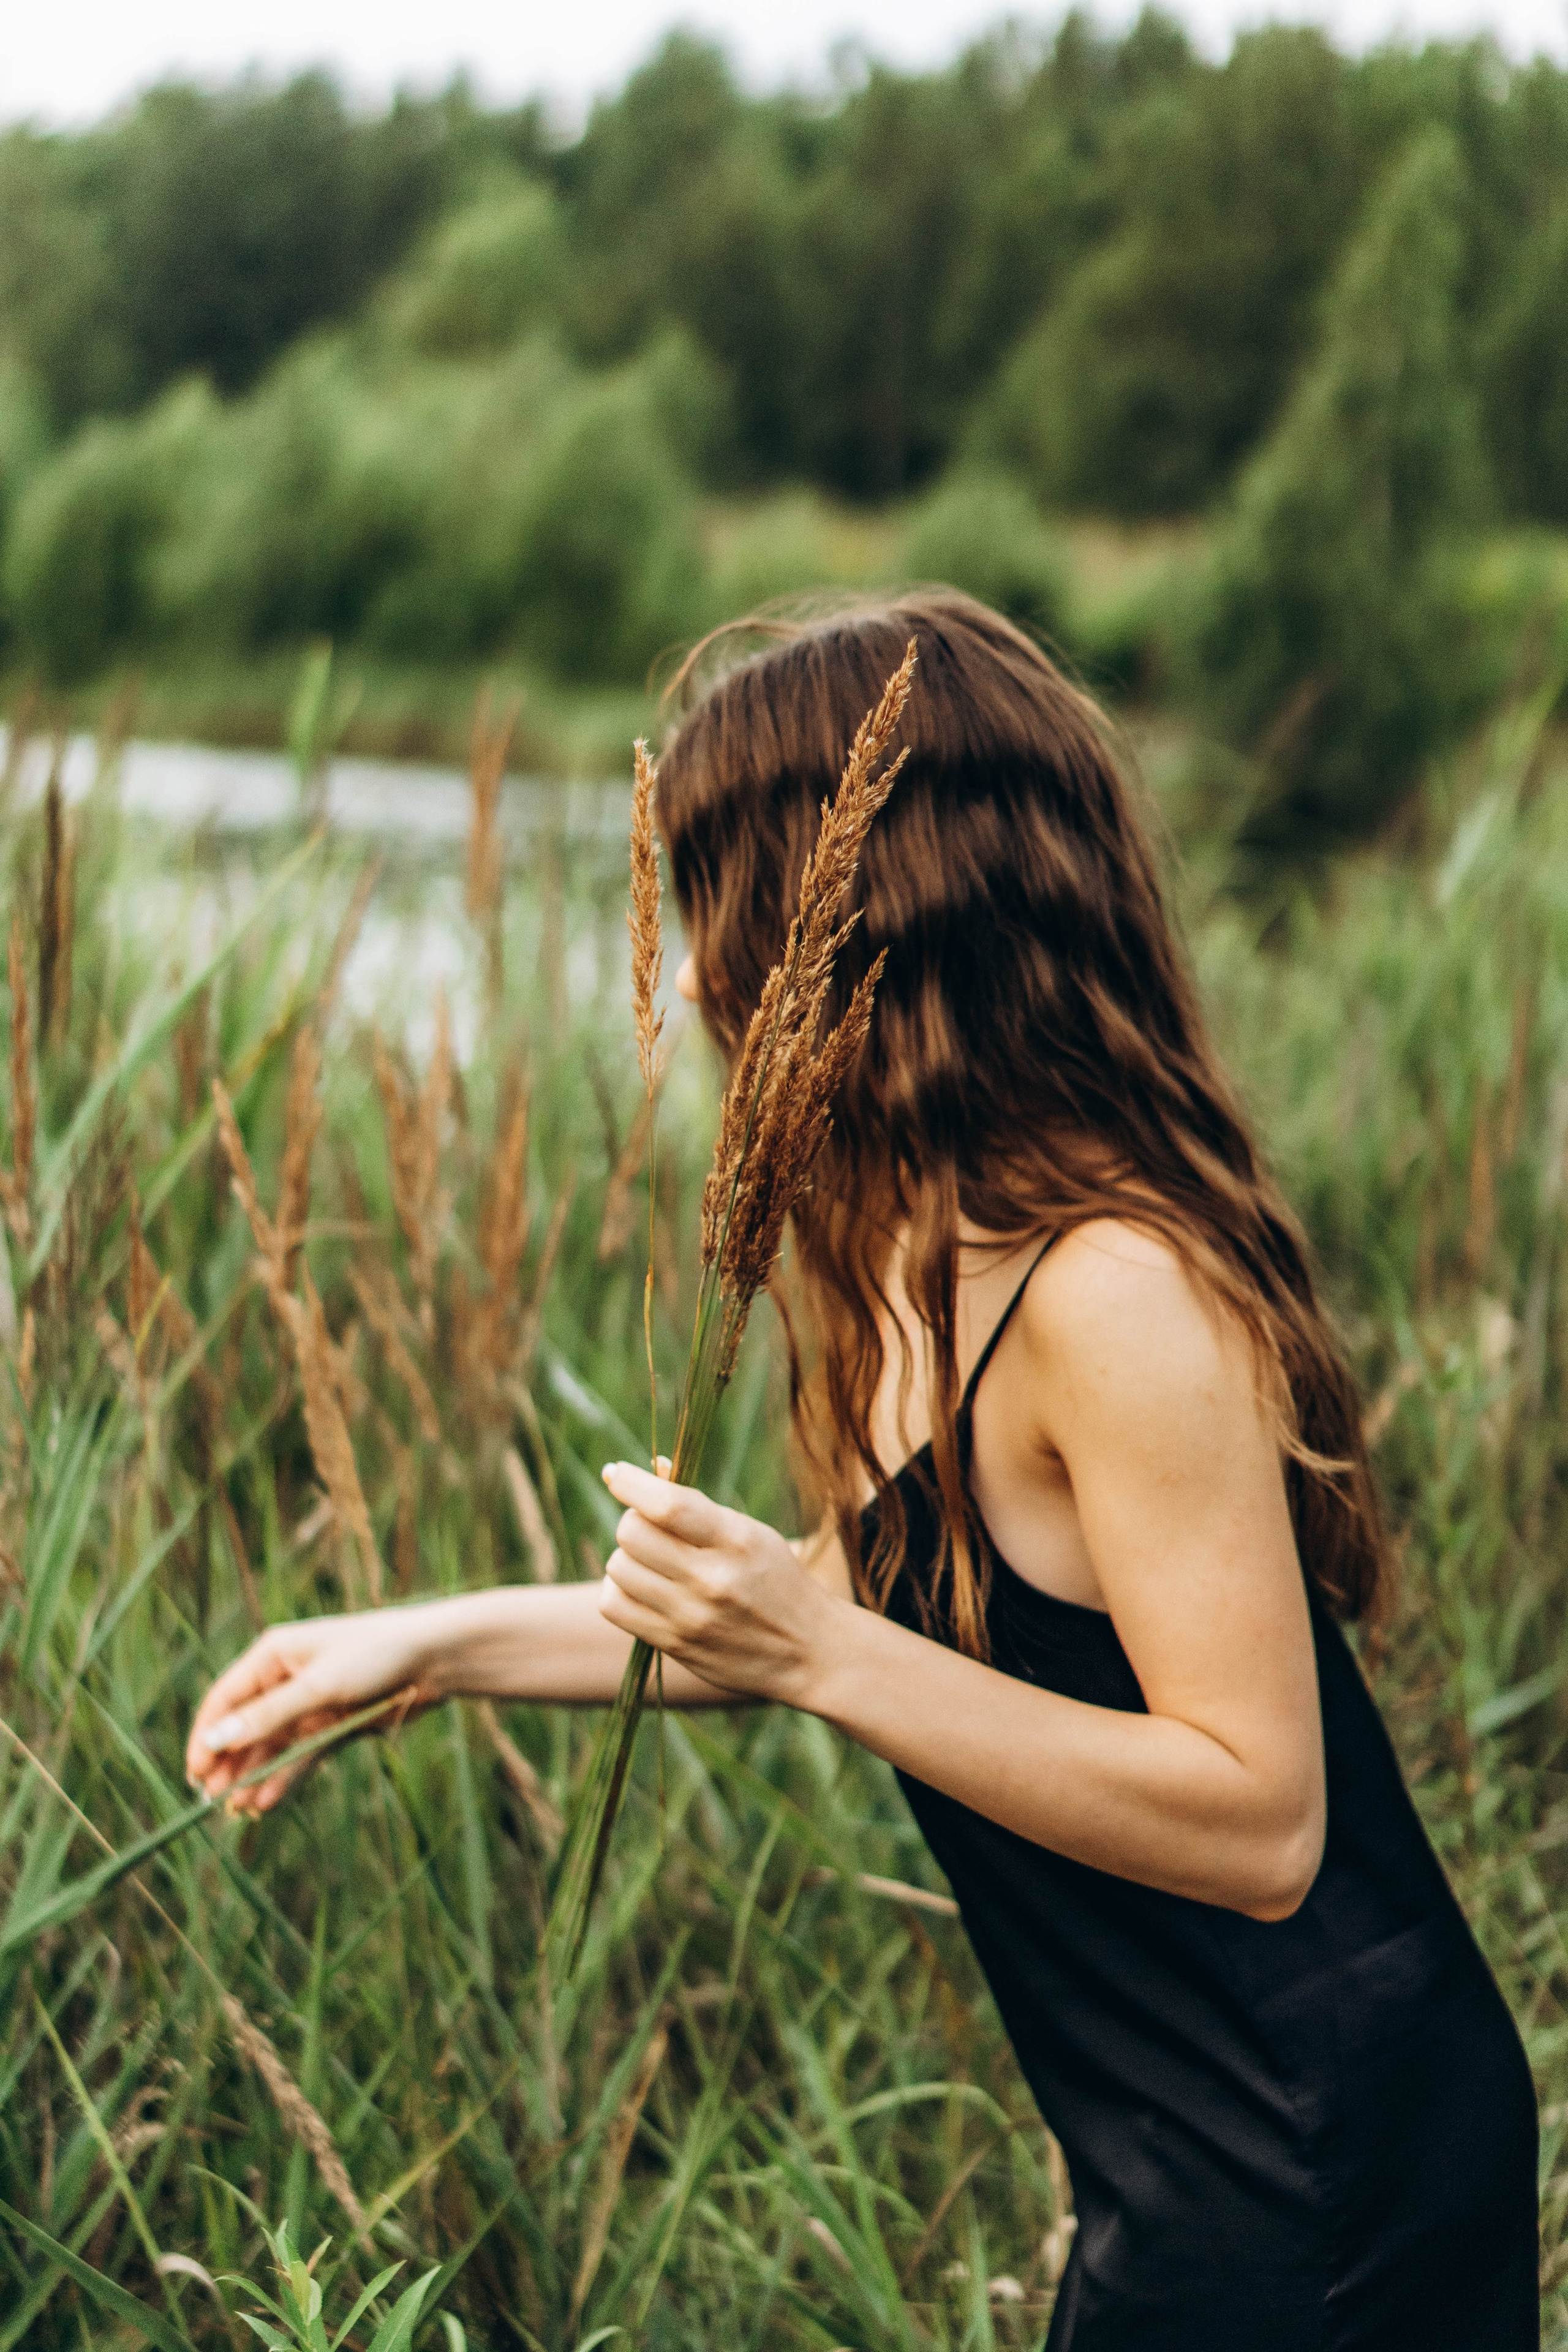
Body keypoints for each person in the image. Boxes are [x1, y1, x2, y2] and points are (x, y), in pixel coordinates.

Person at [187, 592, 1539, 2348]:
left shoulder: (1113, 1285)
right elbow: (841, 1606)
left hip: (1326, 2149)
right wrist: (423, 1649)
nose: (683, 979)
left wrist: (822, 1659)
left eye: (719, 911)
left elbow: (1264, 1816)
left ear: (873, 918)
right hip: (1174, 2135)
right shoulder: (922, 1253)